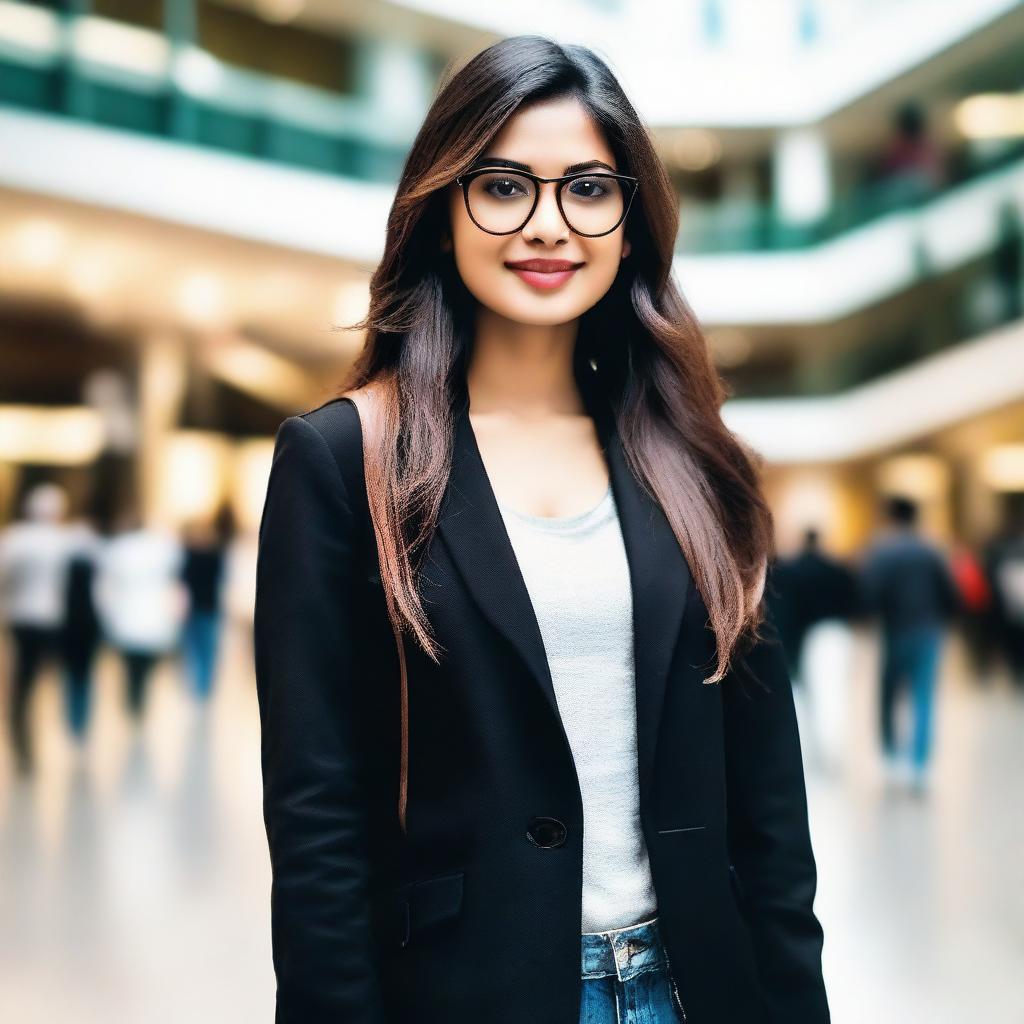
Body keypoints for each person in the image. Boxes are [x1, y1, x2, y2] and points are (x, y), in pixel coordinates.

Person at [254, 36, 829, 1024]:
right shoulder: (343, 459)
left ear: (629, 220)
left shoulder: (698, 461)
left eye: (589, 189)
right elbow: (318, 822)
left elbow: (770, 820)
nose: (548, 226)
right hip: (464, 993)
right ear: (441, 208)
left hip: (693, 989)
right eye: (504, 186)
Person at [860, 496, 961, 795]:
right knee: (923, 695)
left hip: (895, 631)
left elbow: (869, 592)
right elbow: (950, 592)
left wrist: (869, 619)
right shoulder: (932, 550)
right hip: (928, 630)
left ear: (891, 516)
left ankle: (891, 757)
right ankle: (919, 765)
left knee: (889, 694)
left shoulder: (882, 551)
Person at [0, 483, 73, 774]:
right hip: (47, 620)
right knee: (34, 682)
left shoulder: (17, 539)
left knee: (25, 683)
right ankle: (26, 740)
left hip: (23, 618)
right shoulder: (62, 542)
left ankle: (25, 738)